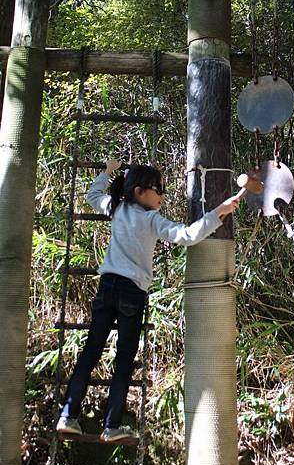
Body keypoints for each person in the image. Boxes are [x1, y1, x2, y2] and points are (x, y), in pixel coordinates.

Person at [56, 159, 239, 442]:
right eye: (158, 190)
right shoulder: (151, 220)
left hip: (107, 287)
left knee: (91, 351)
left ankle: (68, 415)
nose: (162, 196)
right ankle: (111, 425)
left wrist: (106, 173)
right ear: (140, 191)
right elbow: (188, 236)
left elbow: (93, 196)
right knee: (125, 359)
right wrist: (219, 212)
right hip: (132, 292)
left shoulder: (117, 209)